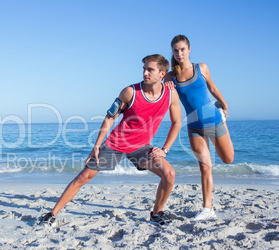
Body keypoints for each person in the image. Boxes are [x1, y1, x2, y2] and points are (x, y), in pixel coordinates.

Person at [40, 54, 181, 227]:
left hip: (142, 147)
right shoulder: (130, 92)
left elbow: (177, 123)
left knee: (169, 174)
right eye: (144, 69)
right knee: (83, 177)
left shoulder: (170, 95)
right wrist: (97, 145)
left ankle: (156, 213)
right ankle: (52, 214)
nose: (145, 73)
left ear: (162, 74)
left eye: (150, 70)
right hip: (117, 143)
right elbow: (109, 118)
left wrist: (165, 149)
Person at [164, 35, 234, 220]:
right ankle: (207, 208)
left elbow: (212, 88)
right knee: (204, 167)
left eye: (182, 49)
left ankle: (221, 124)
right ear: (172, 52)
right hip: (194, 127)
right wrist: (168, 87)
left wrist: (224, 104)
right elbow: (162, 96)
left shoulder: (201, 68)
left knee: (227, 159)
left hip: (215, 120)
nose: (179, 53)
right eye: (176, 50)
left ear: (189, 49)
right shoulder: (170, 76)